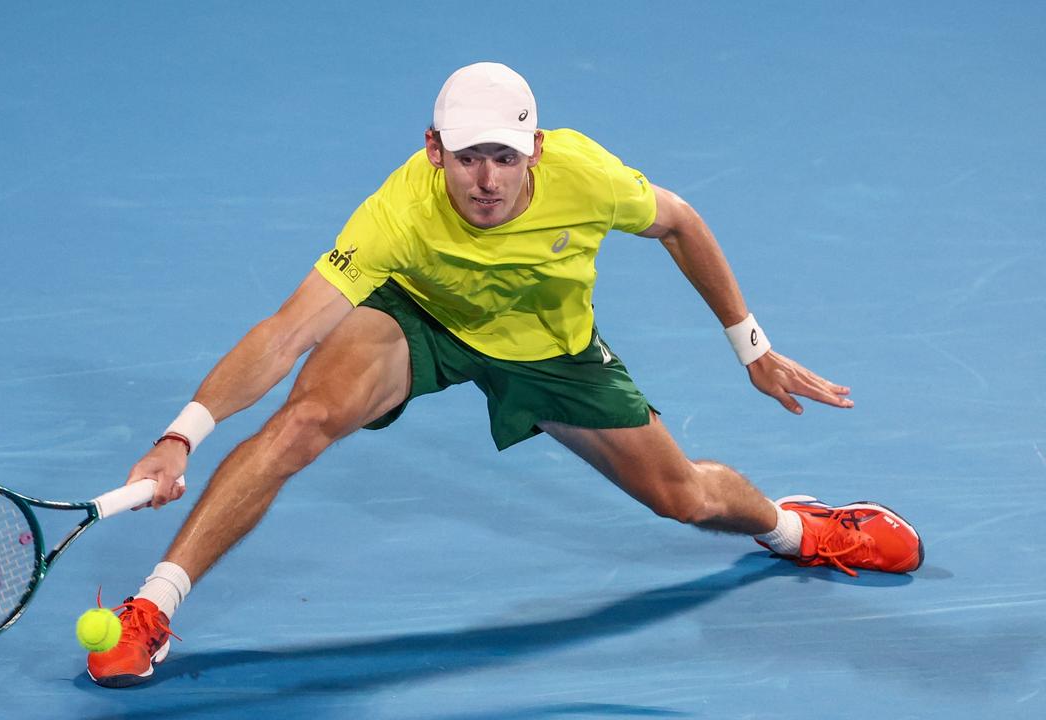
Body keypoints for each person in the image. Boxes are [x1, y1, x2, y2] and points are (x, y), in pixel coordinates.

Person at [84, 62, 923, 688]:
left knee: (686, 500)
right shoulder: (396, 212)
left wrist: (752, 346)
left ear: (536, 149)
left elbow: (681, 223)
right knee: (300, 422)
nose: (485, 180)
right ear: (432, 150)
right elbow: (284, 332)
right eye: (466, 158)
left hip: (552, 354)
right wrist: (178, 435)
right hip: (421, 321)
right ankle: (154, 605)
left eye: (504, 157)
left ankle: (796, 527)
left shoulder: (586, 176)